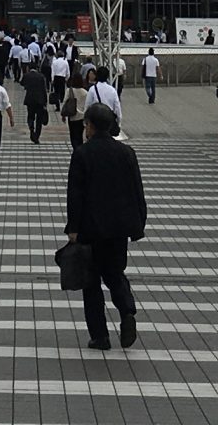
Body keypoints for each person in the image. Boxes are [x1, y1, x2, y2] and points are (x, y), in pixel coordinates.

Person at [64, 102, 146, 350]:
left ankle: (100, 336)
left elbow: (75, 194)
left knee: (91, 282)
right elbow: (137, 189)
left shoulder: (82, 154)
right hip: (119, 228)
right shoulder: (126, 152)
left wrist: (73, 228)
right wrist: (138, 222)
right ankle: (127, 311)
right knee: (114, 273)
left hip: (90, 228)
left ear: (89, 125)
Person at [63, 73, 90, 147]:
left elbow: (65, 102)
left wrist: (63, 115)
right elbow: (87, 105)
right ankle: (79, 148)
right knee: (79, 135)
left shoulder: (69, 91)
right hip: (81, 117)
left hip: (72, 116)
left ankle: (75, 149)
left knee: (73, 134)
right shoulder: (85, 92)